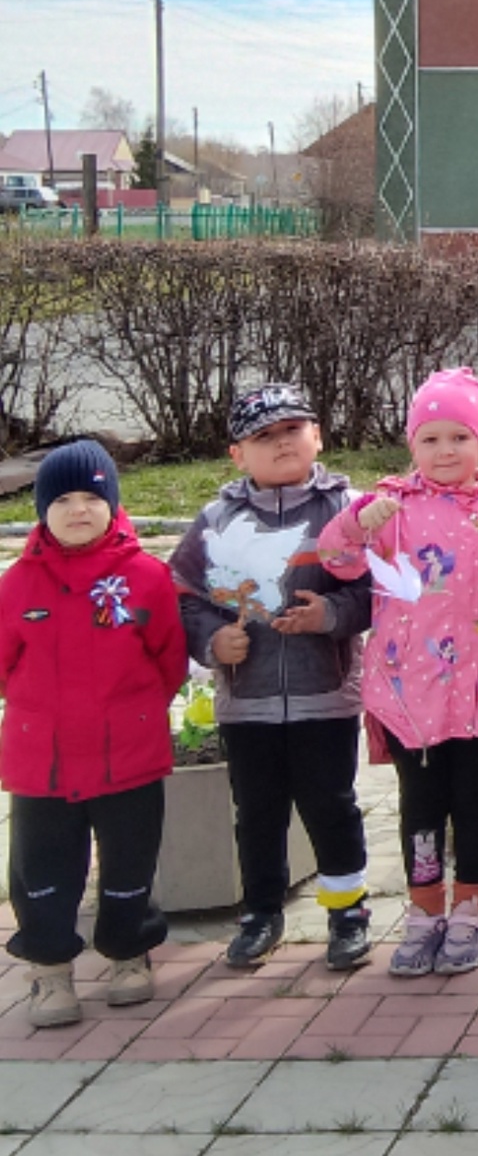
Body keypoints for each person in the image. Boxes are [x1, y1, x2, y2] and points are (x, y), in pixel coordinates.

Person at [321, 368, 478, 976]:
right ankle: (424, 914)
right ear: (412, 444)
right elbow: (336, 561)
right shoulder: (389, 509)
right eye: (431, 438)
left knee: (472, 803)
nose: (445, 451)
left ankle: (469, 914)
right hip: (408, 694)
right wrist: (354, 525)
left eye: (459, 437)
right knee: (420, 805)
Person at [170, 384, 374, 973]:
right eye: (264, 437)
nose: (281, 443)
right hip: (247, 701)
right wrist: (211, 641)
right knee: (257, 812)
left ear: (318, 436)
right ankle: (260, 913)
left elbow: (373, 590)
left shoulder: (347, 512)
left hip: (326, 698)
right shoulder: (216, 520)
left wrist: (330, 617)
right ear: (237, 454)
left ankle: (347, 911)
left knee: (332, 805)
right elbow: (183, 594)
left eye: (292, 430)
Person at [1, 442, 187, 1028]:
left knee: (130, 861)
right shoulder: (16, 585)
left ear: (112, 503)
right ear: (40, 509)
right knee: (44, 870)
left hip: (127, 755)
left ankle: (129, 954)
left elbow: (168, 660)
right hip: (43, 762)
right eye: (62, 499)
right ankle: (50, 971)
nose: (78, 510)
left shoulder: (146, 577)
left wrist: (133, 712)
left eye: (92, 497)